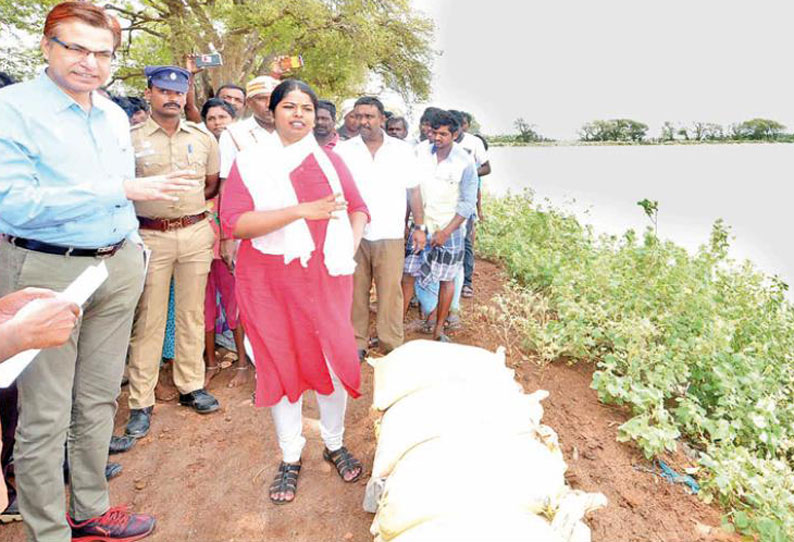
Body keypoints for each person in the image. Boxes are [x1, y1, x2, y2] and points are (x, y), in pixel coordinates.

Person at [0, 3, 196, 540]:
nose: (90, 62)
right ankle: (48, 531)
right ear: (47, 47)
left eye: (103, 53)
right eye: (76, 48)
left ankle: (88, 510)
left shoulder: (111, 113)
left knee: (99, 397)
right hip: (46, 268)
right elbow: (13, 203)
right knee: (45, 412)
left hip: (118, 263)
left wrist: (131, 245)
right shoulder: (11, 109)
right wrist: (120, 191)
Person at [220, 79, 369, 504]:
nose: (299, 114)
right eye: (289, 106)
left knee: (331, 357)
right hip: (268, 280)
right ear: (272, 111)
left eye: (306, 107)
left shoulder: (329, 160)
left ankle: (335, 443)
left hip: (326, 277)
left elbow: (358, 208)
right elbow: (235, 224)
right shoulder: (250, 162)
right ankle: (290, 456)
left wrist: (346, 247)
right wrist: (299, 212)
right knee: (279, 361)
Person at [125, 65, 222, 440]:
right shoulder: (130, 139)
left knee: (191, 313)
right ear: (149, 93)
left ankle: (190, 386)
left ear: (185, 96)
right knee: (148, 319)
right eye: (163, 91)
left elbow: (211, 185)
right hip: (150, 236)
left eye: (178, 92)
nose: (172, 97)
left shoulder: (202, 137)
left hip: (195, 231)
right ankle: (140, 401)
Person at [336, 97, 425, 360]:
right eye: (359, 116)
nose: (364, 121)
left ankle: (391, 344)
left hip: (390, 232)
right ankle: (357, 343)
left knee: (390, 292)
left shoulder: (402, 150)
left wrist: (419, 226)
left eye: (370, 116)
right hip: (353, 233)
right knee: (355, 290)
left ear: (382, 119)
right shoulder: (344, 151)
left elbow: (414, 190)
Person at [402, 110, 478, 342]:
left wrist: (446, 232)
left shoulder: (465, 162)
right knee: (407, 275)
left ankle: (438, 330)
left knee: (447, 280)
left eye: (443, 134)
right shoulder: (420, 152)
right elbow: (410, 189)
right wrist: (406, 223)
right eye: (434, 132)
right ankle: (395, 328)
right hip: (421, 226)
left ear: (455, 135)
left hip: (450, 229)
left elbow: (467, 203)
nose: (436, 138)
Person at [200, 97, 251, 388]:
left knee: (234, 300)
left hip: (230, 237)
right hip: (198, 238)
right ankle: (209, 362)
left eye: (223, 117)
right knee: (203, 304)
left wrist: (228, 237)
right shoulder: (197, 149)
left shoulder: (244, 150)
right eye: (211, 118)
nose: (218, 123)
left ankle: (243, 362)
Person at [449, 110, 490, 299]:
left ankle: (467, 282)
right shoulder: (440, 141)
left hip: (465, 201)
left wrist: (468, 173)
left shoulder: (474, 143)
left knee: (466, 242)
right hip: (443, 202)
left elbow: (487, 167)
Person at [218, 75, 279, 180]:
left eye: (274, 99)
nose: (269, 104)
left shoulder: (295, 131)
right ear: (249, 102)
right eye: (262, 99)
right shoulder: (233, 133)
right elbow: (226, 180)